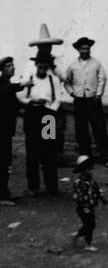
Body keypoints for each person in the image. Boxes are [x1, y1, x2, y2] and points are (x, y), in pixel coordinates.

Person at [63, 36, 108, 166]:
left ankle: (106, 157)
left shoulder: (96, 63)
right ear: (78, 50)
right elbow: (66, 81)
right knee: (81, 130)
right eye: (82, 48)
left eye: (87, 48)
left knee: (99, 128)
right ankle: (86, 157)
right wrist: (72, 92)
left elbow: (102, 79)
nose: (85, 51)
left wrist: (98, 94)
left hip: (93, 100)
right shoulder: (73, 66)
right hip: (79, 101)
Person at [19, 54, 63, 195]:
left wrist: (50, 109)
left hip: (48, 117)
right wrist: (30, 102)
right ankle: (33, 187)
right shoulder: (29, 80)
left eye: (46, 64)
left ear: (48, 66)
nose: (43, 66)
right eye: (40, 63)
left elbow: (58, 99)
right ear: (36, 64)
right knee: (32, 153)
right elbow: (21, 97)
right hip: (32, 115)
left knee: (49, 152)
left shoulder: (54, 79)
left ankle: (52, 187)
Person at [69, 156, 106, 250]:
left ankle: (78, 234)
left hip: (89, 207)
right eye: (89, 169)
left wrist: (102, 198)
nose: (92, 171)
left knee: (90, 225)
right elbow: (79, 197)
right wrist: (84, 206)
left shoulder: (91, 182)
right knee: (90, 225)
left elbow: (97, 190)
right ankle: (87, 243)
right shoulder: (79, 183)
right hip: (83, 208)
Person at [0, 55, 19, 205]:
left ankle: (5, 192)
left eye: (12, 65)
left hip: (6, 130)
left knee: (6, 161)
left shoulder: (7, 83)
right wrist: (23, 84)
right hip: (2, 129)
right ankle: (2, 195)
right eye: (8, 66)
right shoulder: (3, 84)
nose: (12, 68)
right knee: (3, 161)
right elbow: (8, 91)